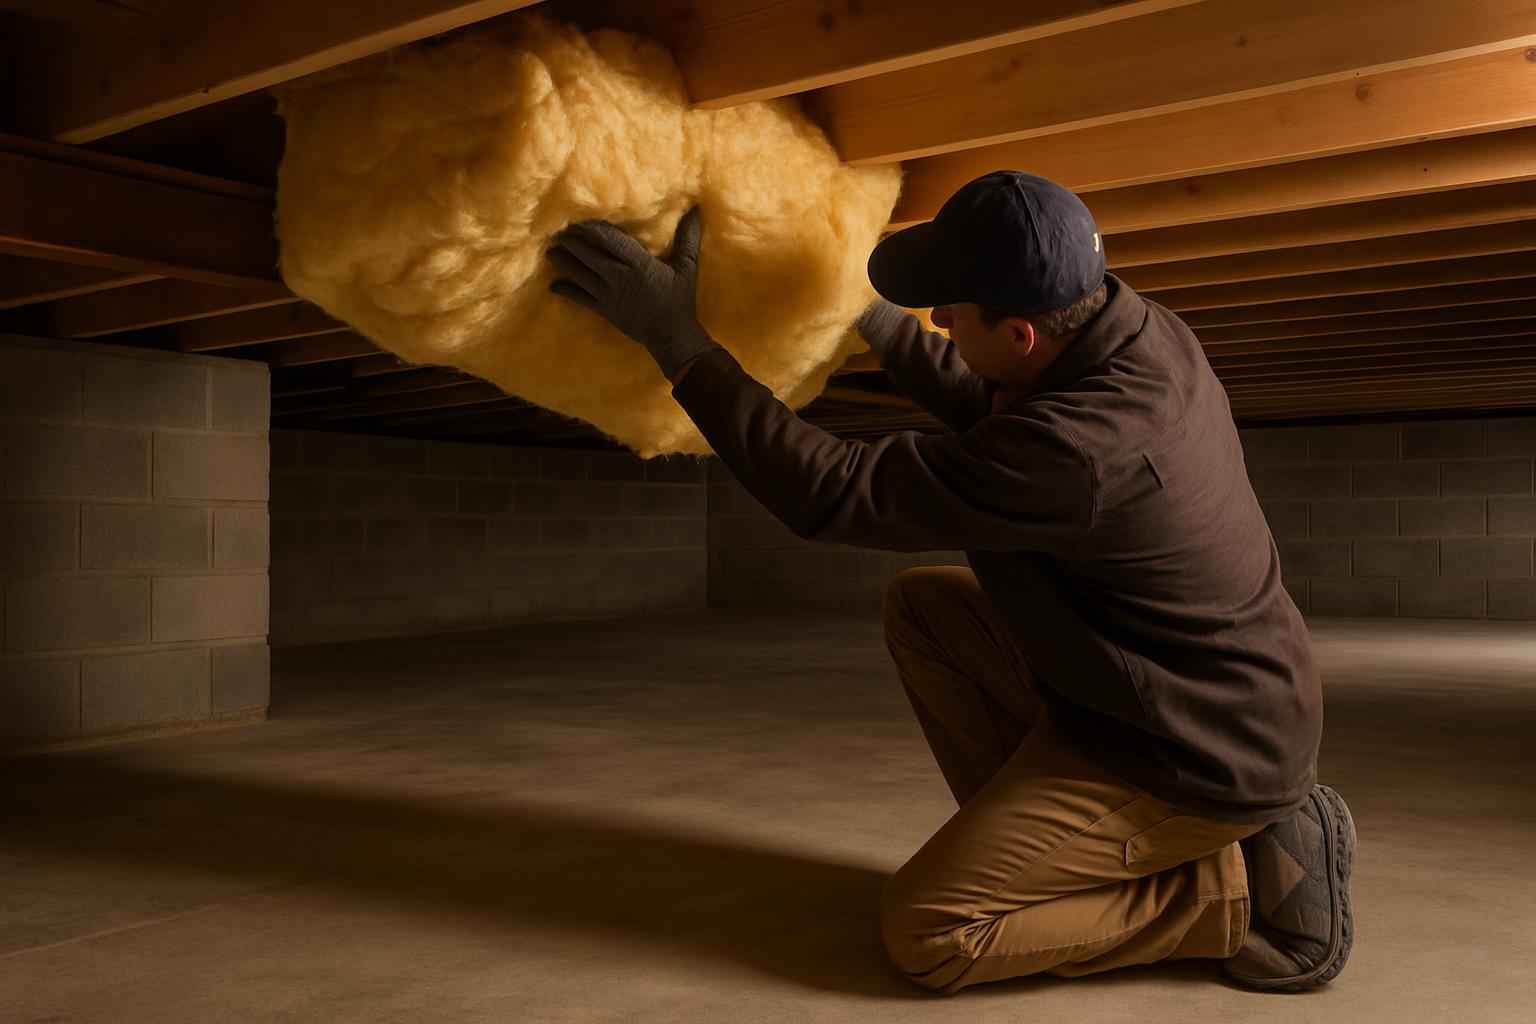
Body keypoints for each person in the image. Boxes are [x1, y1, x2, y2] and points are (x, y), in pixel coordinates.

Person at [545, 170, 1355, 995]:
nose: (935, 318)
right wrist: (863, 314)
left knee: (932, 930)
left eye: (952, 310)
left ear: (1022, 335)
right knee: (928, 609)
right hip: (1196, 692)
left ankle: (1228, 894)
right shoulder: (1134, 329)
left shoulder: (1082, 453)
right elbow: (994, 402)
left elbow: (835, 491)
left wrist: (678, 342)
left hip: (1197, 754)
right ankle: (1069, 854)